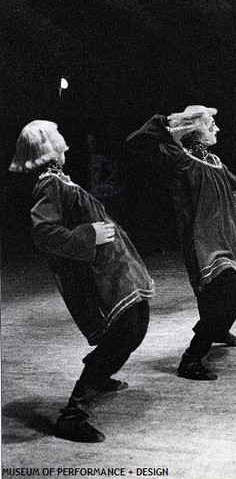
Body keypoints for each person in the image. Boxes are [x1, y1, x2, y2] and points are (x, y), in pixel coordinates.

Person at [9, 120, 155, 443]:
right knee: (130, 326)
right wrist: (89, 235)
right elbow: (43, 232)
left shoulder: (59, 181)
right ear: (50, 147)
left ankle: (99, 375)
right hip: (100, 271)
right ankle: (73, 413)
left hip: (112, 266)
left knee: (132, 324)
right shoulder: (50, 184)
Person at [126, 106, 236, 381]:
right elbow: (135, 141)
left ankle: (218, 328)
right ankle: (191, 359)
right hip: (204, 240)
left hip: (229, 237)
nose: (217, 129)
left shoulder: (213, 159)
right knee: (226, 294)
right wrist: (170, 122)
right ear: (195, 129)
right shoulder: (179, 158)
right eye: (211, 124)